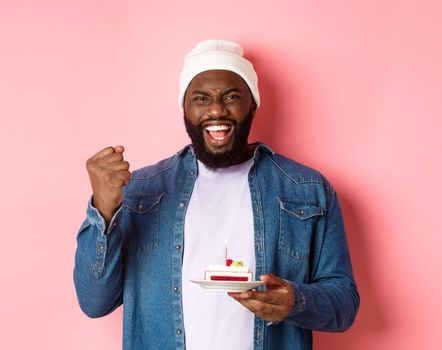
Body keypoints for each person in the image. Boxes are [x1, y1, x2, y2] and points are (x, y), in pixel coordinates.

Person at [72, 39, 359, 350]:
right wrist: (103, 208)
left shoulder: (307, 190)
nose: (216, 109)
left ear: (253, 104)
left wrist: (296, 301)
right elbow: (94, 302)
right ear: (185, 107)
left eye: (232, 96)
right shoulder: (140, 189)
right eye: (201, 98)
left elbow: (344, 305)